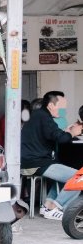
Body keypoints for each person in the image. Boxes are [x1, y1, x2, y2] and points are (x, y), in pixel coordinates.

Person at [21, 90, 83, 220]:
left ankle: (48, 205)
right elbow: (61, 139)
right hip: (36, 162)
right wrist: (73, 132)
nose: (63, 111)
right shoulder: (43, 117)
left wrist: (67, 131)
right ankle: (55, 208)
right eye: (61, 108)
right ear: (51, 105)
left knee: (65, 170)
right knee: (79, 178)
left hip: (35, 160)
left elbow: (54, 135)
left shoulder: (40, 116)